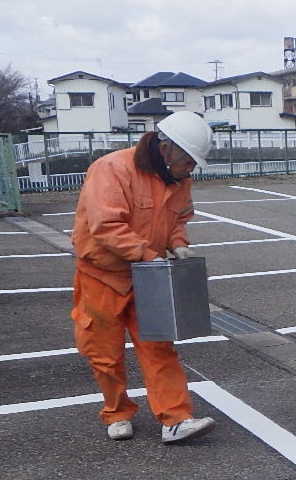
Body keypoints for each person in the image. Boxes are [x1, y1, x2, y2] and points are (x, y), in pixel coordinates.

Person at [70, 110, 217, 444]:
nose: (191, 168)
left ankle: (176, 419)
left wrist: (178, 244)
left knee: (158, 346)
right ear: (166, 149)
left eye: (194, 163)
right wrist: (150, 254)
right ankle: (117, 412)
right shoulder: (112, 169)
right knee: (104, 352)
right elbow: (106, 227)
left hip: (147, 274)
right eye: (188, 161)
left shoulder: (179, 179)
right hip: (101, 273)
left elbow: (179, 217)